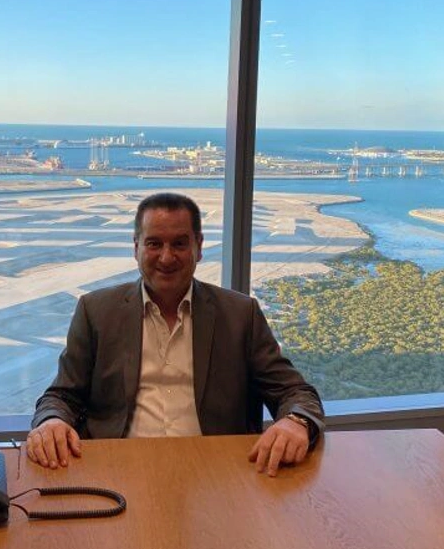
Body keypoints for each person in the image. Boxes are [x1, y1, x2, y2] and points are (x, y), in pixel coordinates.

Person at [27, 192, 324, 477]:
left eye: (180, 244)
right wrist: (52, 421)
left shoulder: (239, 314)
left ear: (199, 246)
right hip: (116, 468)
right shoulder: (96, 311)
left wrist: (296, 422)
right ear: (136, 247)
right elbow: (62, 395)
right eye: (154, 244)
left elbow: (295, 392)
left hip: (218, 473)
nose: (166, 258)